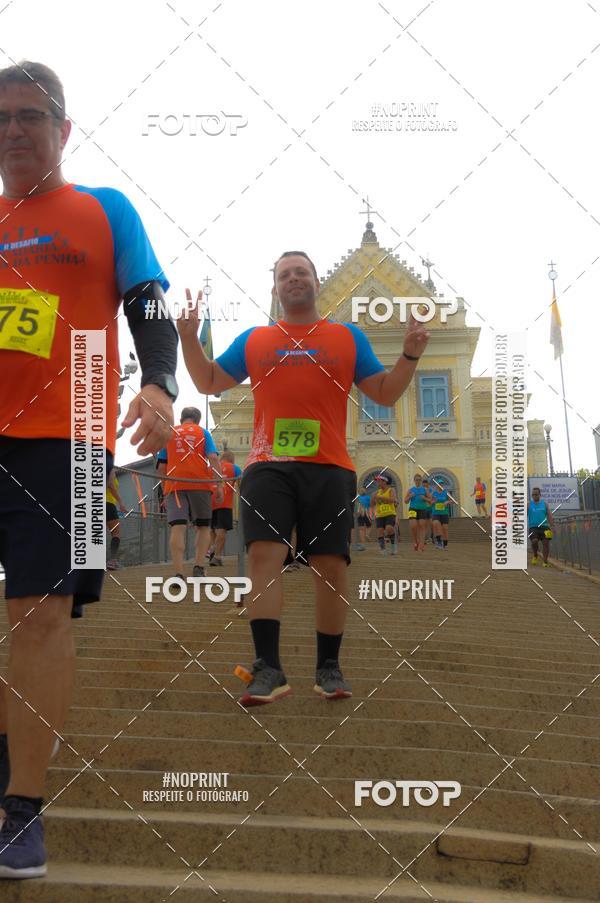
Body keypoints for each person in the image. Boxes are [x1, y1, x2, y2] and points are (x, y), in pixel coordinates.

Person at [0, 62, 176, 878]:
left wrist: (158, 381)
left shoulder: (103, 210)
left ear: (64, 130)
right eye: (1, 117)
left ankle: (20, 811)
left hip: (71, 438)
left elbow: (148, 301)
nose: (14, 130)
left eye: (31, 115)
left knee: (42, 615)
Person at [177, 250, 429, 705]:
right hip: (267, 466)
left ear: (316, 282)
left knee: (330, 566)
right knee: (263, 558)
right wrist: (188, 339)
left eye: (302, 272)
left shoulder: (346, 337)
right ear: (275, 288)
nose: (294, 279)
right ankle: (268, 668)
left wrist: (410, 354)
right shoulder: (255, 340)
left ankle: (328, 667)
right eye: (284, 274)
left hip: (329, 467)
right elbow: (210, 381)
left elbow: (385, 394)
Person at [157, 408, 223, 579]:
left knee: (178, 527)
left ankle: (179, 573)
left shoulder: (170, 433)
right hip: (200, 484)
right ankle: (199, 568)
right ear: (197, 420)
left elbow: (161, 467)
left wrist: (166, 490)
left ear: (181, 418)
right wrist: (220, 486)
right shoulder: (203, 433)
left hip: (174, 487)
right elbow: (214, 458)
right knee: (203, 527)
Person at [209, 450, 242, 567]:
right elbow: (241, 484)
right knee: (222, 529)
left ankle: (212, 550)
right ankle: (217, 556)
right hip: (224, 502)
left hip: (210, 501)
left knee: (212, 529)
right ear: (232, 459)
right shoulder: (234, 468)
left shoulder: (212, 468)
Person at [528, 486, 555, 567]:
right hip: (533, 527)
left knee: (546, 543)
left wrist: (552, 525)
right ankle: (535, 555)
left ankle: (545, 561)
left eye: (536, 494)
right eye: (533, 495)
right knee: (534, 541)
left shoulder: (545, 504)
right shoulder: (529, 505)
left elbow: (549, 515)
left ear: (540, 495)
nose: (534, 496)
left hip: (545, 527)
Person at [404, 474, 433, 551]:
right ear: (414, 480)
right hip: (412, 509)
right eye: (416, 480)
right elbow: (405, 501)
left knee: (422, 526)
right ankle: (416, 542)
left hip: (422, 509)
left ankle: (421, 544)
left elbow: (431, 500)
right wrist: (410, 496)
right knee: (413, 526)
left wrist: (425, 498)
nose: (418, 481)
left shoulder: (425, 490)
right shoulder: (411, 490)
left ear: (421, 480)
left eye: (419, 480)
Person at [105, 468, 126, 570]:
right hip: (107, 503)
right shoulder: (110, 469)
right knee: (116, 533)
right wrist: (121, 502)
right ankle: (112, 562)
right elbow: (111, 485)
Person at [373, 475, 398, 555]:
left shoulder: (391, 490)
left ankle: (393, 546)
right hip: (380, 514)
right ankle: (383, 549)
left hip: (390, 513)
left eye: (379, 480)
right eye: (377, 481)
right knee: (380, 531)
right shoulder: (377, 492)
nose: (377, 482)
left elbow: (393, 500)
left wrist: (380, 497)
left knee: (389, 528)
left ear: (384, 481)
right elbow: (372, 503)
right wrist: (373, 499)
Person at [431, 481, 450, 549]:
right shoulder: (434, 493)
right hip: (435, 513)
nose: (440, 485)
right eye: (439, 484)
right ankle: (439, 542)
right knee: (436, 523)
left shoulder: (446, 493)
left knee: (445, 529)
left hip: (444, 513)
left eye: (442, 484)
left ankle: (445, 544)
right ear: (437, 485)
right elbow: (429, 502)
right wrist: (433, 501)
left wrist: (447, 502)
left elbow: (452, 500)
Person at [353, 486, 373, 551]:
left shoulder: (362, 497)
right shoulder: (365, 497)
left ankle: (363, 541)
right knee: (365, 527)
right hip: (362, 512)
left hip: (360, 512)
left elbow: (370, 505)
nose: (362, 491)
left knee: (363, 528)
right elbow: (370, 505)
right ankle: (365, 538)